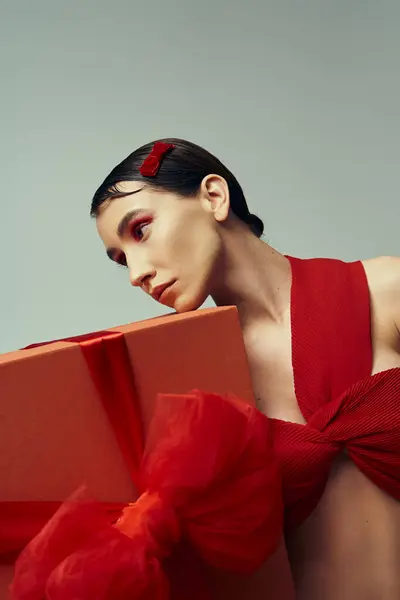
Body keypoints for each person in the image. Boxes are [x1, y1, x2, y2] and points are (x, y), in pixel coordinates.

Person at [92, 138, 400, 600]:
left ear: (213, 196)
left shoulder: (386, 290)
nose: (136, 273)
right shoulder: (196, 384)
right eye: (121, 260)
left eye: (139, 230)